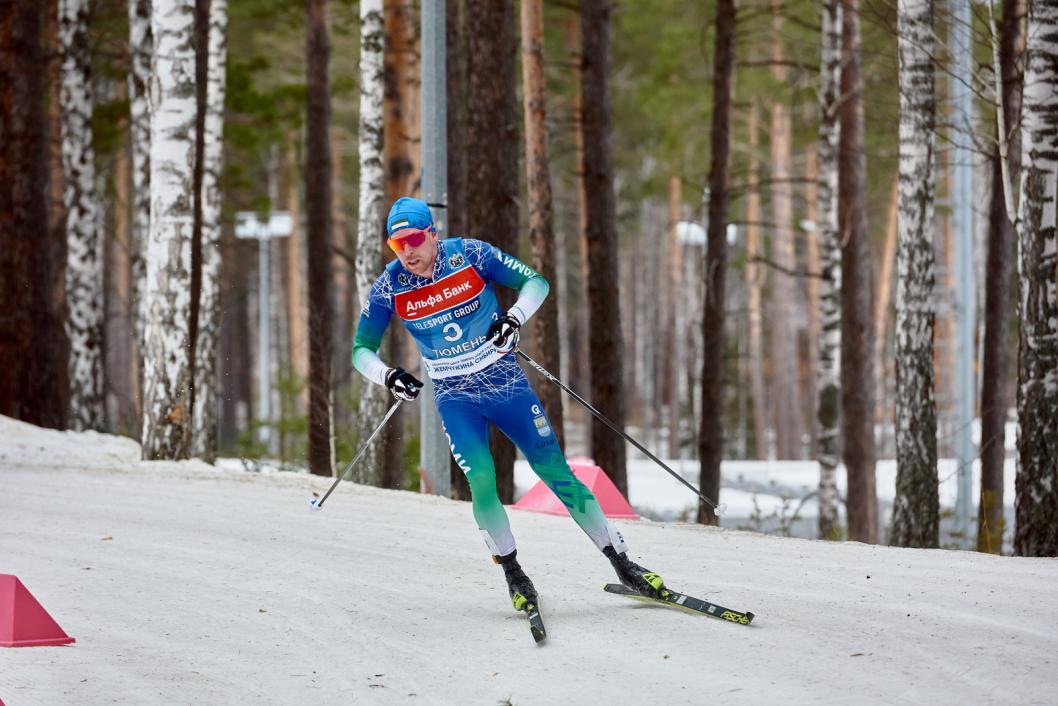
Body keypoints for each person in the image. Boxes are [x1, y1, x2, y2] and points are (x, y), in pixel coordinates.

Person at [352, 196, 664, 612]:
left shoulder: (469, 254)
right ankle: (514, 574)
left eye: (412, 239)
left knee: (555, 472)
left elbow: (537, 282)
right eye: (396, 244)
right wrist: (388, 375)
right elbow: (360, 350)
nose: (406, 251)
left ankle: (623, 563)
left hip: (504, 385)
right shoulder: (391, 285)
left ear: (432, 234)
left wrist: (513, 318)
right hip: (455, 398)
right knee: (482, 480)